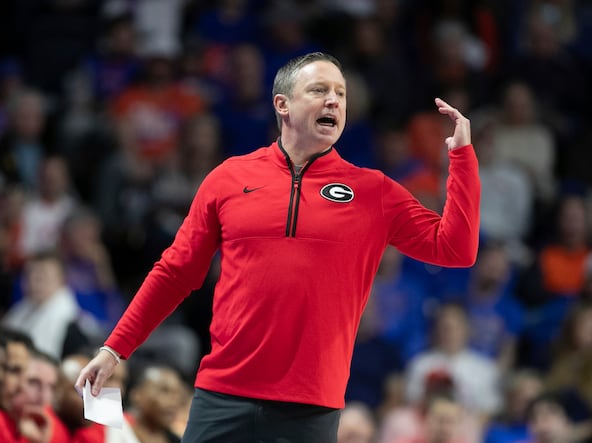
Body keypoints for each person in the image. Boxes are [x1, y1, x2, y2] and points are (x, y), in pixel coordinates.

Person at [75, 51, 480, 442]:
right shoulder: (229, 178)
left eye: (340, 93)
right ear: (282, 105)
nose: (334, 101)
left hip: (310, 409)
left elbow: (455, 249)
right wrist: (115, 349)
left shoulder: (373, 191)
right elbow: (175, 272)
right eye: (320, 90)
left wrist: (462, 159)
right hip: (222, 396)